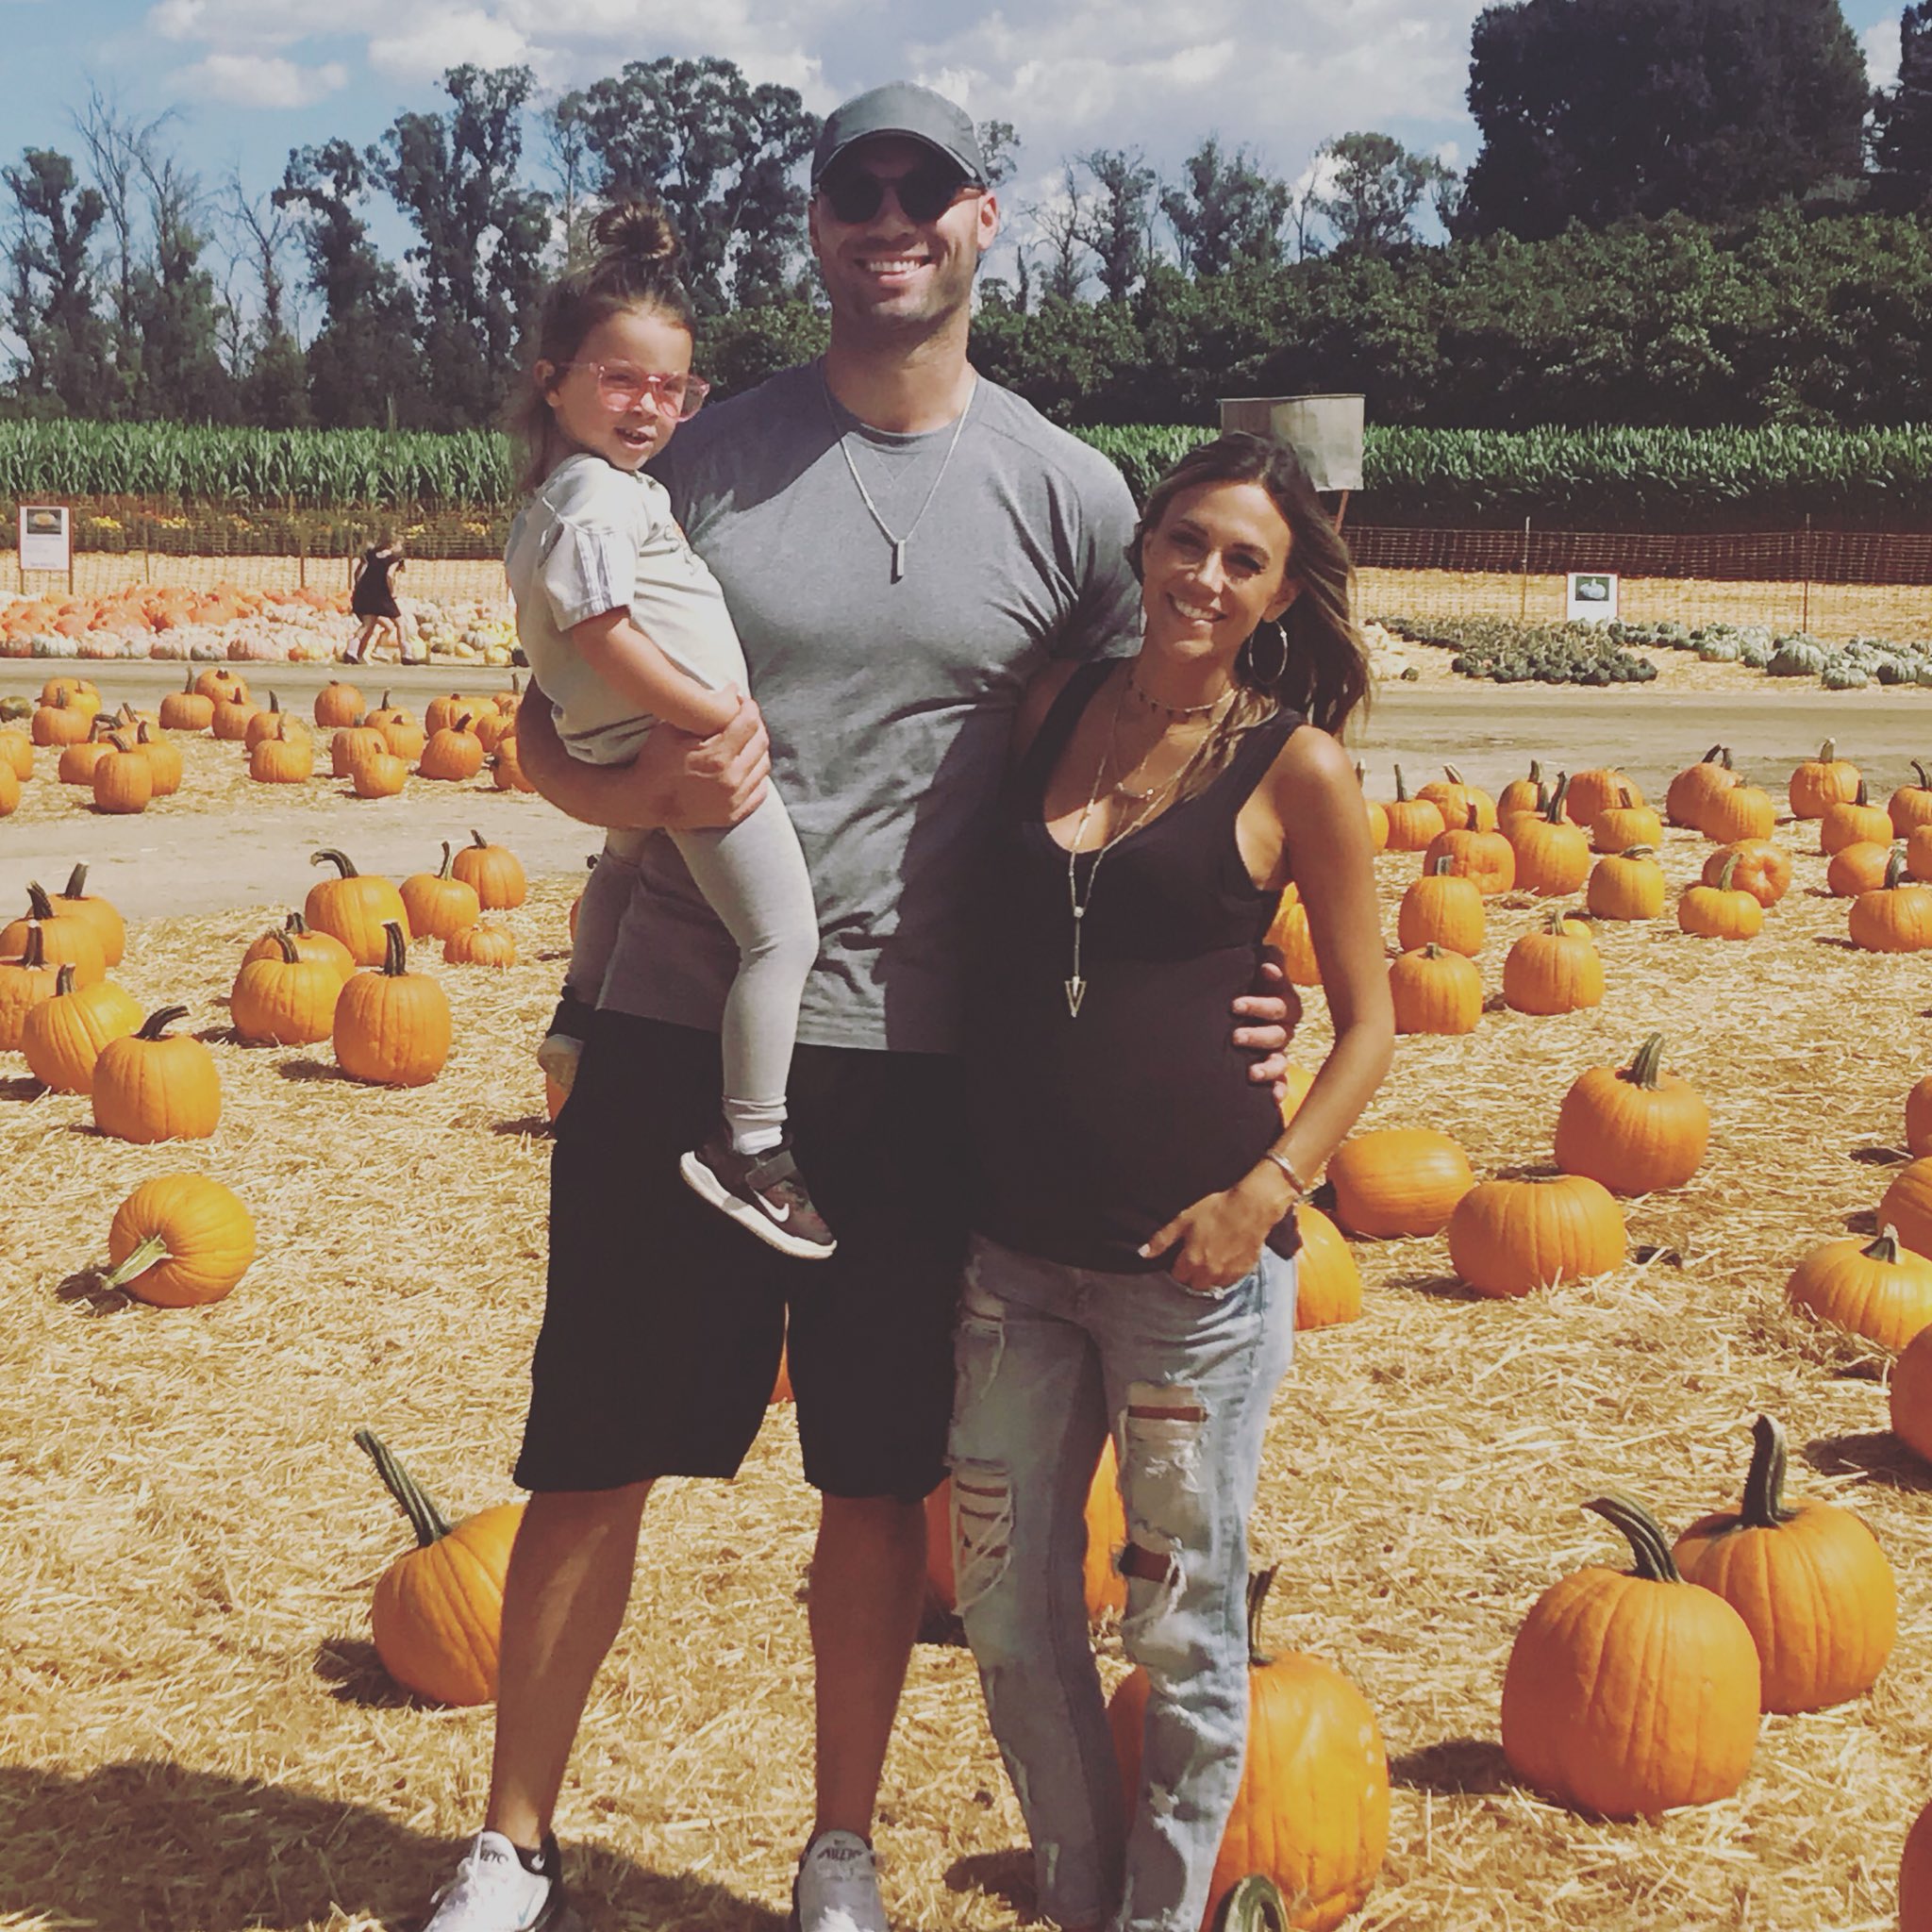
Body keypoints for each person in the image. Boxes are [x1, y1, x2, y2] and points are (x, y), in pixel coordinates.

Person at [413, 82, 1295, 1932]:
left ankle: (836, 1848)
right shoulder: (692, 461)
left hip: (925, 1065)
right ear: (815, 226)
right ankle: (514, 1840)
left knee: (877, 1478)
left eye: (923, 187)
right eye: (850, 189)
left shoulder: (1065, 497)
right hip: (679, 1019)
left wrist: (1237, 973)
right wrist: (609, 798)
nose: (886, 214)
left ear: (983, 221)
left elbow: (1162, 750)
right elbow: (546, 706)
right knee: (593, 1451)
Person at [948, 432, 1395, 1932]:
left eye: (1243, 559)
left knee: (1182, 1624)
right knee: (1010, 1610)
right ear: (1145, 546)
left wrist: (1268, 1193)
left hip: (1188, 1276)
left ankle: (1161, 1912)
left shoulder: (1298, 767)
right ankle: (1078, 1883)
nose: (1205, 575)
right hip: (1013, 1256)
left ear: (1278, 597)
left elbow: (1370, 1019)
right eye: (1187, 541)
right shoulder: (1051, 707)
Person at [505, 196, 834, 1258]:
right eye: (618, 379)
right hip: (682, 752)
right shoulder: (596, 497)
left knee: (619, 866)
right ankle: (751, 1142)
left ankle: (578, 1011)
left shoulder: (581, 487)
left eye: (669, 387)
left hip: (619, 746)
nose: (646, 405)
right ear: (553, 378)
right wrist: (711, 711)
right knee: (782, 935)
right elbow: (602, 628)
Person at [347, 532, 415, 664]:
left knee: (366, 625)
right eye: (400, 545)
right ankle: (406, 654)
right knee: (400, 623)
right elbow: (389, 575)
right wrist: (392, 592)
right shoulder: (394, 559)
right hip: (383, 595)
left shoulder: (371, 555)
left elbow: (358, 572)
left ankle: (351, 651)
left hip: (366, 593)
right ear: (393, 545)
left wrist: (358, 588)